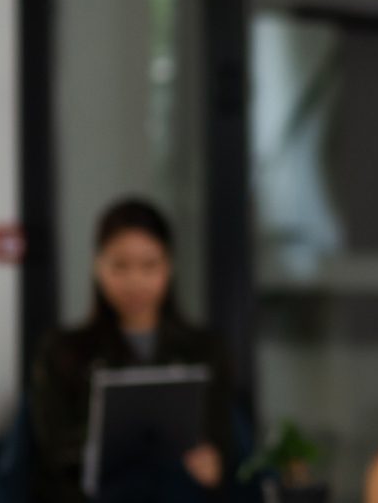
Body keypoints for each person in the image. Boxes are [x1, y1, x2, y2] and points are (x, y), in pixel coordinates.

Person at [30, 198, 230, 502]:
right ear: (98, 267)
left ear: (169, 266)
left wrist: (213, 462)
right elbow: (52, 450)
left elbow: (222, 438)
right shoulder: (63, 350)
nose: (135, 281)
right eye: (120, 266)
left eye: (149, 265)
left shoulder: (204, 349)